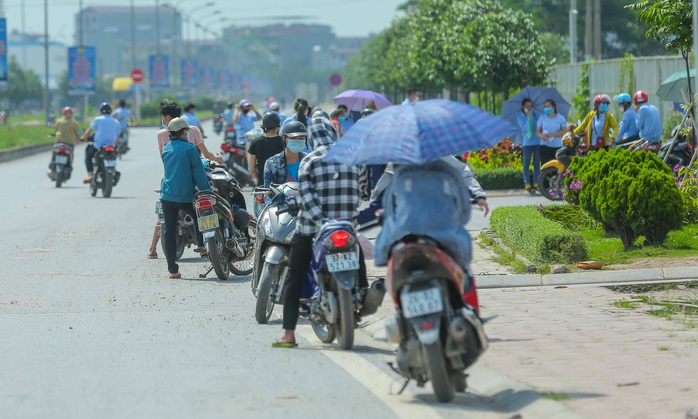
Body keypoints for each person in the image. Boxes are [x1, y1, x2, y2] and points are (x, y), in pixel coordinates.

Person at [274, 117, 364, 348]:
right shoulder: (354, 157)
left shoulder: (310, 161)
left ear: (312, 138)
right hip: (346, 226)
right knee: (359, 255)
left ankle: (289, 334)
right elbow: (361, 190)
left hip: (312, 228)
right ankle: (361, 294)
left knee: (294, 277)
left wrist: (323, 221)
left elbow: (307, 198)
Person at [148, 100, 223, 259]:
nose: (163, 120)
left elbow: (165, 158)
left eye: (163, 117)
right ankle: (204, 242)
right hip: (193, 179)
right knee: (204, 205)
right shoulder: (193, 131)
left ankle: (152, 249)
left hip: (171, 178)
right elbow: (206, 155)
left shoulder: (162, 134)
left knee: (164, 215)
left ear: (167, 117)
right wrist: (217, 158)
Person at [374, 157, 474, 274]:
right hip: (447, 242)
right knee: (466, 277)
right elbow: (464, 214)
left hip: (404, 241)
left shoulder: (400, 174)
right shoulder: (450, 172)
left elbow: (389, 213)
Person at [159, 117, 212, 279]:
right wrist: (207, 190)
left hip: (167, 196)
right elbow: (199, 174)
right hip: (185, 196)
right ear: (183, 132)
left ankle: (172, 270)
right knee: (200, 215)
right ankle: (202, 245)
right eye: (187, 131)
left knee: (169, 230)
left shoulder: (166, 148)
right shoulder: (190, 149)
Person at [248, 112, 285, 215]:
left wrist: (259, 177)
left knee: (260, 219)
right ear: (278, 125)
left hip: (262, 188)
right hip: (281, 188)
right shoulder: (283, 142)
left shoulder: (256, 142)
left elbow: (251, 169)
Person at [80, 102, 121, 184]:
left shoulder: (97, 119)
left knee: (88, 155)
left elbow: (89, 131)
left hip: (98, 146)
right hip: (111, 146)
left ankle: (90, 174)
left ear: (101, 111)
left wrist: (83, 138)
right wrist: (116, 146)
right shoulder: (116, 122)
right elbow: (117, 137)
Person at [263, 121, 308, 188]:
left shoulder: (310, 161)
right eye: (294, 138)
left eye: (301, 138)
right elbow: (268, 192)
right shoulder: (271, 164)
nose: (298, 140)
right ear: (284, 137)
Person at [517, 98, 541, 192]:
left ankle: (536, 183)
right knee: (526, 163)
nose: (529, 108)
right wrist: (529, 118)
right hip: (527, 143)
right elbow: (525, 129)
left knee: (536, 163)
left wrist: (536, 120)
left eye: (530, 106)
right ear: (523, 107)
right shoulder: (520, 117)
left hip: (538, 142)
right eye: (527, 107)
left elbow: (540, 125)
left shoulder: (537, 115)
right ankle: (527, 183)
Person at [536, 99, 569, 164]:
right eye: (545, 107)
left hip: (557, 146)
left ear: (554, 107)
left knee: (557, 166)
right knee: (545, 166)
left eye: (548, 106)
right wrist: (541, 136)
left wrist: (552, 134)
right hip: (544, 145)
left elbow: (564, 132)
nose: (546, 108)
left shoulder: (560, 118)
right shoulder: (542, 118)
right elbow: (538, 131)